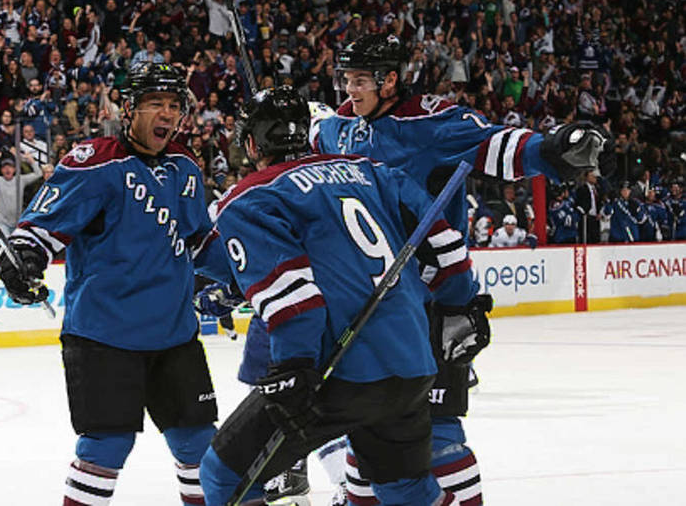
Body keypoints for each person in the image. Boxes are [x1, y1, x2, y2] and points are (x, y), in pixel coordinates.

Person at [314, 34, 609, 506]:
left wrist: (553, 147)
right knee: (365, 424)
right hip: (365, 305)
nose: (350, 90)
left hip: (431, 302)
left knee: (438, 430)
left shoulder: (429, 122)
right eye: (346, 80)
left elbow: (495, 143)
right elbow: (311, 135)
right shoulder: (342, 126)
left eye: (361, 80)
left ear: (391, 80)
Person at [199, 86, 487, 506]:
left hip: (337, 375)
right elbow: (447, 249)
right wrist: (460, 306)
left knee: (223, 476)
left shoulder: (250, 197)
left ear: (250, 144)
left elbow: (293, 299)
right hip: (411, 362)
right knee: (406, 490)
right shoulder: (370, 170)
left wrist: (293, 366)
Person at [0, 63, 218, 506]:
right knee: (106, 447)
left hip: (175, 335)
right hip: (104, 335)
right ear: (129, 108)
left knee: (198, 444)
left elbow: (199, 242)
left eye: (174, 105)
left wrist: (233, 279)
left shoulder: (184, 167)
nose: (167, 114)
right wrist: (22, 261)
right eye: (155, 103)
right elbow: (37, 231)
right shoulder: (94, 163)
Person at [0, 148, 42, 237]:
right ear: (1, 170)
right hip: (2, 221)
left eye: (10, 167)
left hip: (17, 221)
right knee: (7, 243)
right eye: (4, 167)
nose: (7, 169)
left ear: (14, 169)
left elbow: (39, 174)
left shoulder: (20, 180)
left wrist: (31, 160)